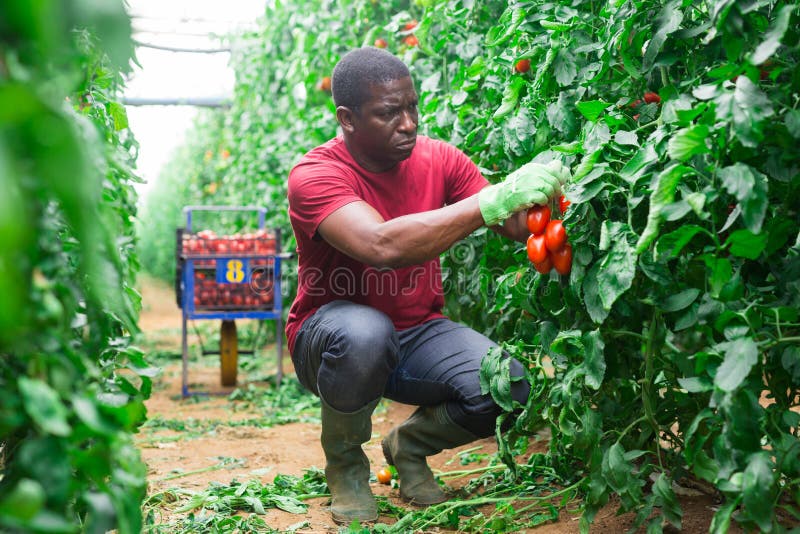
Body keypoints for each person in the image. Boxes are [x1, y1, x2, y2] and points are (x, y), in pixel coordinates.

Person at [285, 46, 569, 524]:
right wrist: (491, 203)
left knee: (510, 385)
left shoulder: (440, 159)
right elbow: (380, 247)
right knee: (365, 334)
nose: (409, 123)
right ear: (347, 119)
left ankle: (408, 445)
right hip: (330, 338)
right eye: (389, 113)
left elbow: (511, 223)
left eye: (412, 106)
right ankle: (346, 467)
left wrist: (552, 190)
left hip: (416, 331)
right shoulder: (316, 175)